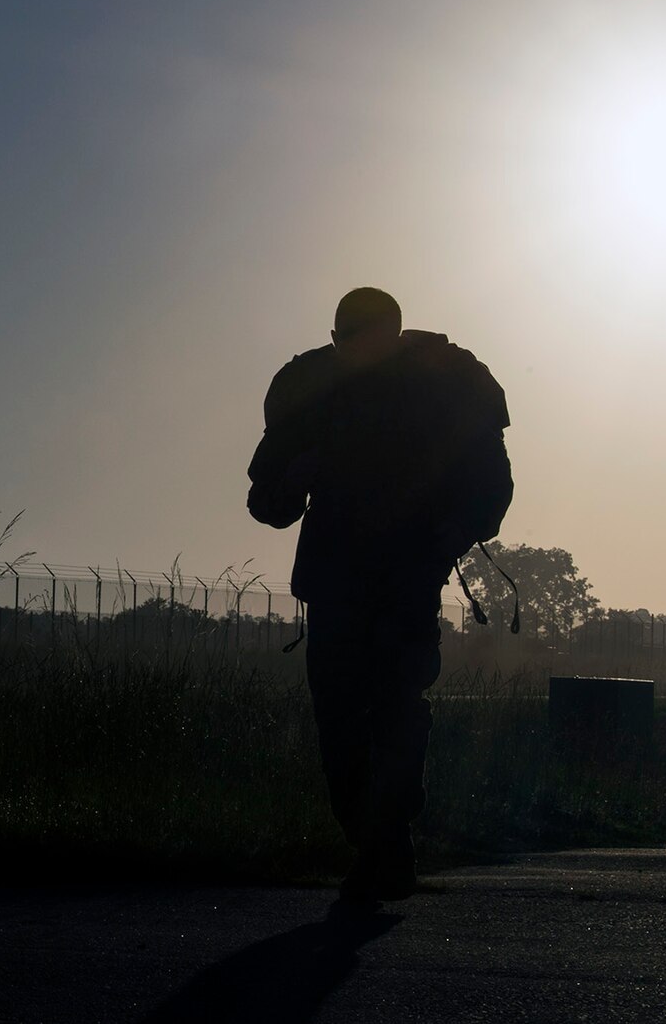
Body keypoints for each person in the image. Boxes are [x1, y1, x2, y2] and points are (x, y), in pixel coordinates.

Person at [246, 287, 511, 906]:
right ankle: (376, 845)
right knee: (341, 723)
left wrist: (449, 533)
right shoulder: (310, 390)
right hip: (337, 585)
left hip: (406, 582)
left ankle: (386, 846)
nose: (353, 352)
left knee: (396, 712)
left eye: (363, 339)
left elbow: (490, 483)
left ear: (394, 333)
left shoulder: (445, 386)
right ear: (335, 339)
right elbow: (266, 501)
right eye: (344, 340)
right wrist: (296, 478)